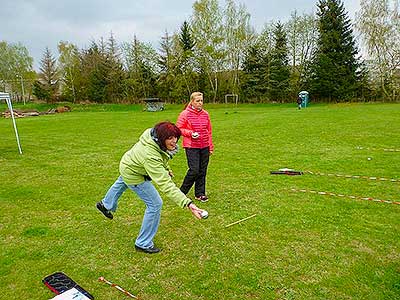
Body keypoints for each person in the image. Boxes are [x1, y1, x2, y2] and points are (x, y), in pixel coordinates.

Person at [96, 121, 204, 254]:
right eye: (169, 138)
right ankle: (143, 243)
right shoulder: (150, 156)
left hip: (128, 162)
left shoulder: (152, 136)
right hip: (134, 173)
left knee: (122, 180)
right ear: (160, 139)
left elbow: (161, 157)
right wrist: (188, 203)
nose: (174, 141)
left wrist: (166, 168)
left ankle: (105, 204)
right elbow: (166, 185)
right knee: (155, 204)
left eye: (175, 137)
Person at [176, 92, 214, 203]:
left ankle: (200, 193)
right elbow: (178, 129)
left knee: (202, 171)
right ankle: (182, 192)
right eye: (197, 101)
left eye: (201, 101)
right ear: (192, 101)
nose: (200, 103)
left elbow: (209, 131)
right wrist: (190, 133)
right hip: (191, 146)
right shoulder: (185, 114)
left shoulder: (206, 114)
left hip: (205, 146)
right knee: (194, 170)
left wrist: (210, 146)